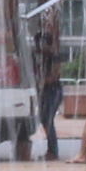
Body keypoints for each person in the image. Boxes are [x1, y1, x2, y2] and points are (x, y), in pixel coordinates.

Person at [28, 16, 65, 163]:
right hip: (45, 90)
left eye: (39, 45)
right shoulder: (38, 57)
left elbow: (53, 77)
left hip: (53, 91)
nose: (37, 48)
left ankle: (53, 151)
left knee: (48, 119)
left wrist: (39, 82)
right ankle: (51, 150)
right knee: (44, 119)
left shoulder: (53, 58)